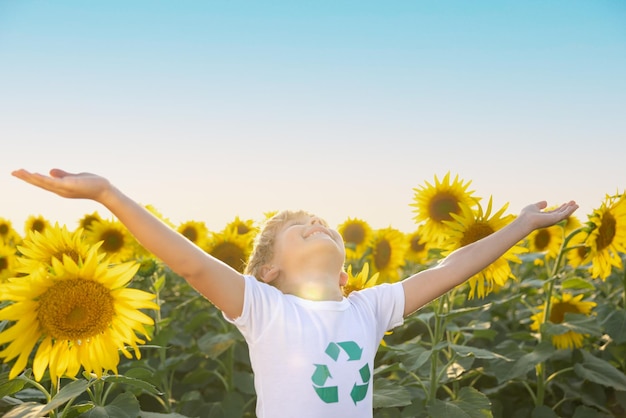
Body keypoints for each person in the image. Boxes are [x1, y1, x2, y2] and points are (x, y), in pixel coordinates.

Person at [11, 168, 578, 418]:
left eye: (323, 225)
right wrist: (108, 193)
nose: (317, 226)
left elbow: (453, 266)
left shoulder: (368, 308)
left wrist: (521, 225)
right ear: (268, 273)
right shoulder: (265, 311)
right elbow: (191, 264)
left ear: (346, 273)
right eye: (299, 229)